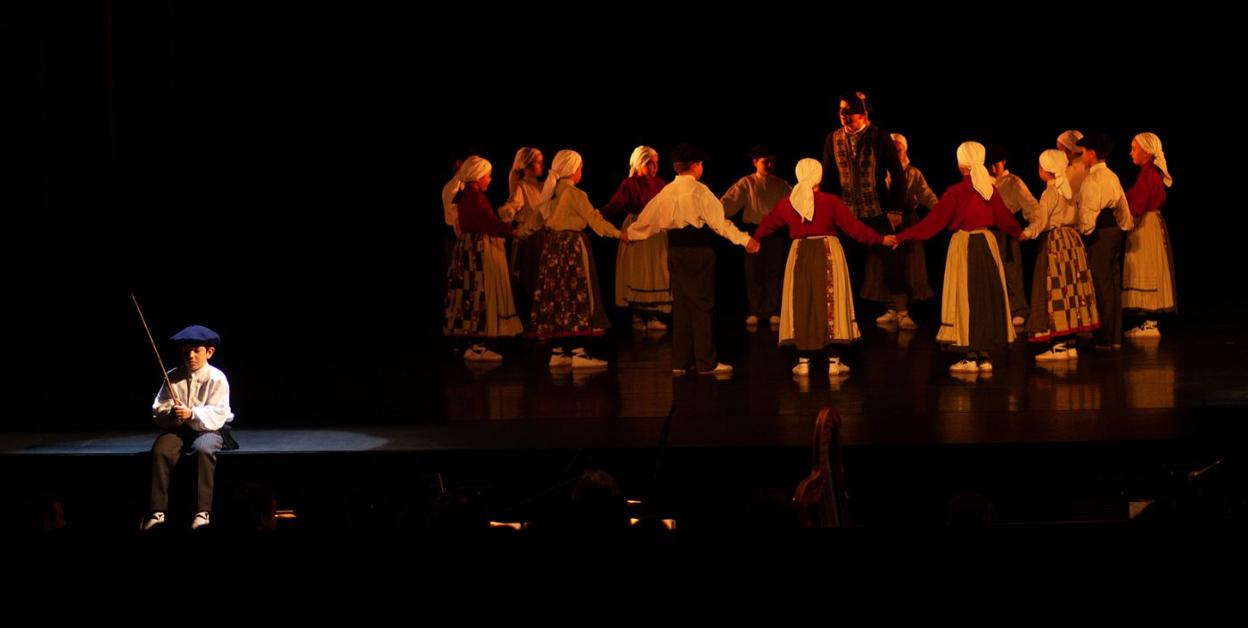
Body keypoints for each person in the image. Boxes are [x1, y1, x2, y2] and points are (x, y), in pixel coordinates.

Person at [749, 159, 896, 376]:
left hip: (800, 253)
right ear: (819, 178)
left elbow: (769, 222)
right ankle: (833, 362)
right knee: (830, 302)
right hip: (827, 251)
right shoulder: (829, 201)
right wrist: (880, 239)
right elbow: (854, 227)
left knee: (803, 302)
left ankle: (804, 362)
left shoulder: (789, 202)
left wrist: (755, 239)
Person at [626, 144, 759, 376]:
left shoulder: (667, 192)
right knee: (701, 305)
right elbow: (719, 223)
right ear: (696, 166)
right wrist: (744, 240)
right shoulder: (699, 191)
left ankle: (680, 362)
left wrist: (632, 234)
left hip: (676, 252)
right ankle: (705, 363)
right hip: (698, 251)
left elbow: (648, 219)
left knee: (682, 306)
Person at [894, 142, 1023, 374]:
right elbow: (1005, 219)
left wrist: (902, 236)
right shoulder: (989, 189)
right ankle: (984, 356)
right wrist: (1019, 232)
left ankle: (971, 356)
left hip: (965, 245)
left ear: (961, 163)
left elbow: (932, 224)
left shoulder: (957, 192)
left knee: (966, 297)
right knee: (984, 297)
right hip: (987, 243)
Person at [821, 91, 910, 326]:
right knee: (844, 263)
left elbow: (897, 174)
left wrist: (895, 210)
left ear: (862, 114)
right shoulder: (833, 138)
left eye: (849, 111)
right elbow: (829, 178)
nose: (843, 115)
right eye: (841, 110)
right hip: (846, 212)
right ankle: (843, 314)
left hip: (877, 209)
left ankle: (901, 311)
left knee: (892, 259)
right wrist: (828, 212)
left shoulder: (879, 136)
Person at [142, 325, 234, 531]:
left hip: (208, 428)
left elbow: (219, 411)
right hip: (179, 428)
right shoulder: (173, 376)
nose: (190, 355)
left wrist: (192, 413)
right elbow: (159, 407)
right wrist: (171, 413)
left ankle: (202, 511)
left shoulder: (217, 378)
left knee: (204, 449)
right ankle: (157, 511)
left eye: (196, 350)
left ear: (209, 352)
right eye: (186, 351)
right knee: (161, 449)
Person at [442, 156, 523, 361]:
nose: (490, 179)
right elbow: (488, 223)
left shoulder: (464, 195)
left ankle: (473, 344)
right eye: (488, 176)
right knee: (479, 291)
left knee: (470, 292)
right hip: (476, 248)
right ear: (478, 176)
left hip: (468, 246)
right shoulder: (475, 197)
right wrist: (512, 231)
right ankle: (477, 346)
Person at [1024, 150, 1100, 361]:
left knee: (1056, 289)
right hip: (1073, 242)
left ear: (1045, 170)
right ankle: (1070, 344)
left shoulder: (1050, 193)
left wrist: (1026, 233)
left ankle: (1059, 345)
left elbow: (1040, 222)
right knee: (1072, 290)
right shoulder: (1070, 192)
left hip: (1056, 242)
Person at [721, 144, 792, 328]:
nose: (769, 165)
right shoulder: (746, 183)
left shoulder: (781, 184)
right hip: (755, 232)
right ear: (755, 162)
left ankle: (772, 310)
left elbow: (795, 203)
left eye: (772, 162)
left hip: (775, 232)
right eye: (765, 161)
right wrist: (711, 212)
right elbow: (729, 202)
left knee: (774, 271)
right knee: (754, 272)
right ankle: (755, 310)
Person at [602, 146, 671, 330]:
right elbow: (614, 205)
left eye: (656, 164)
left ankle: (653, 313)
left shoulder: (661, 184)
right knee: (638, 270)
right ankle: (638, 316)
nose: (654, 168)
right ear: (639, 163)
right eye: (650, 164)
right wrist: (597, 220)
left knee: (655, 270)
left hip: (655, 230)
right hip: (636, 227)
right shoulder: (629, 184)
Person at [1075, 132, 1134, 349]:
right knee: (1113, 283)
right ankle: (1114, 336)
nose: (1081, 156)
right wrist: (1124, 226)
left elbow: (1088, 213)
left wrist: (1084, 232)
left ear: (1092, 154)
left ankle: (1106, 337)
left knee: (1101, 285)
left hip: (1099, 234)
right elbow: (1123, 208)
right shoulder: (1112, 176)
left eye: (1083, 152)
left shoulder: (1093, 179)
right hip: (1114, 232)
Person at [1122, 132, 1177, 338]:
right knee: (1149, 266)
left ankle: (1151, 323)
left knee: (1148, 267)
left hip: (1146, 224)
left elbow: (1138, 203)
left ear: (1146, 152)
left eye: (1134, 149)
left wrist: (1124, 216)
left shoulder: (1149, 174)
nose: (1131, 153)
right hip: (1149, 222)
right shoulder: (1149, 172)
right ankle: (1149, 322)